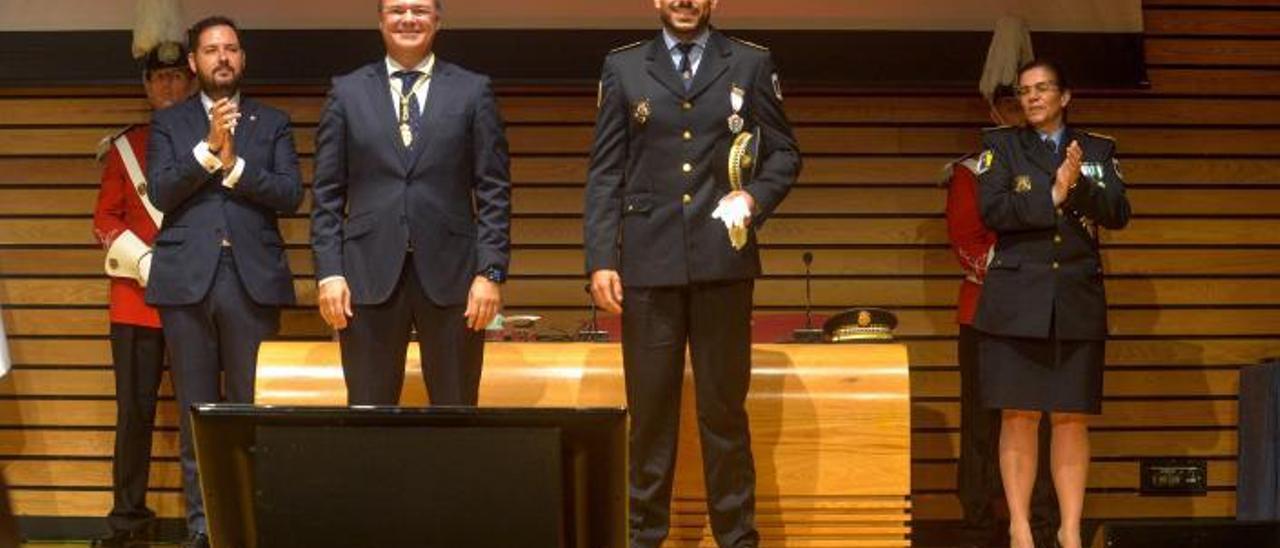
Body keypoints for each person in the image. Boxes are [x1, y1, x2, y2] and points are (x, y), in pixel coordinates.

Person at [583, 1, 800, 546]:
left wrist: (754, 196)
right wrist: (601, 258)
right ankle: (645, 538)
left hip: (722, 262)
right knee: (650, 418)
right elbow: (606, 169)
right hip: (648, 265)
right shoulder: (625, 66)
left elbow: (785, 154)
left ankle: (737, 537)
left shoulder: (750, 62)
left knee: (723, 416)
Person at [145, 15, 303, 548]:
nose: (222, 58)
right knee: (197, 415)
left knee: (250, 411)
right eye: (211, 49)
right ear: (194, 62)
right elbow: (163, 193)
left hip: (251, 280)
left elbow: (289, 194)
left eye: (231, 48)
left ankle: (254, 526)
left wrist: (235, 167)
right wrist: (207, 151)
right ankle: (203, 529)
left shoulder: (273, 121)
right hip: (187, 284)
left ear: (243, 58)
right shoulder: (168, 124)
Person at [310, 0, 510, 406]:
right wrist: (329, 273)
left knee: (456, 411)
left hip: (454, 277)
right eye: (397, 10)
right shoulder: (346, 92)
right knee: (369, 413)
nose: (408, 19)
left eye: (419, 10)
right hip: (366, 277)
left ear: (437, 20)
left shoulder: (473, 90)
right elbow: (327, 194)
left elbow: (493, 189)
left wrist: (490, 272)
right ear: (380, 20)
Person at [974, 59, 1131, 548]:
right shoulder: (1000, 147)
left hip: (1076, 298)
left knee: (1070, 415)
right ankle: (1021, 529)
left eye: (1043, 89)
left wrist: (1078, 186)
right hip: (1016, 299)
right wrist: (1054, 194)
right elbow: (993, 210)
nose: (1033, 98)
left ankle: (1069, 530)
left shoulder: (1098, 149)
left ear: (1065, 96)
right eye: (1024, 91)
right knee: (1017, 414)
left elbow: (1119, 213)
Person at [945, 85, 1059, 548]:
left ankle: (1042, 524)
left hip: (1044, 312)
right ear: (993, 110)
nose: (1019, 112)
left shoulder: (1058, 166)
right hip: (986, 313)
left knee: (1046, 422)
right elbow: (967, 242)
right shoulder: (972, 171)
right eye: (1009, 104)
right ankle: (977, 525)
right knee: (981, 424)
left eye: (1026, 103)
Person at [90, 39, 194, 547]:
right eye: (159, 78)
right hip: (137, 300)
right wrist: (142, 259)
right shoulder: (127, 147)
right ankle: (127, 521)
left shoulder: (211, 140)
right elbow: (104, 219)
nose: (168, 85)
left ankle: (209, 518)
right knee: (135, 414)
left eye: (177, 78)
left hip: (197, 299)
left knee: (205, 411)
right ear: (147, 87)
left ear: (191, 83)